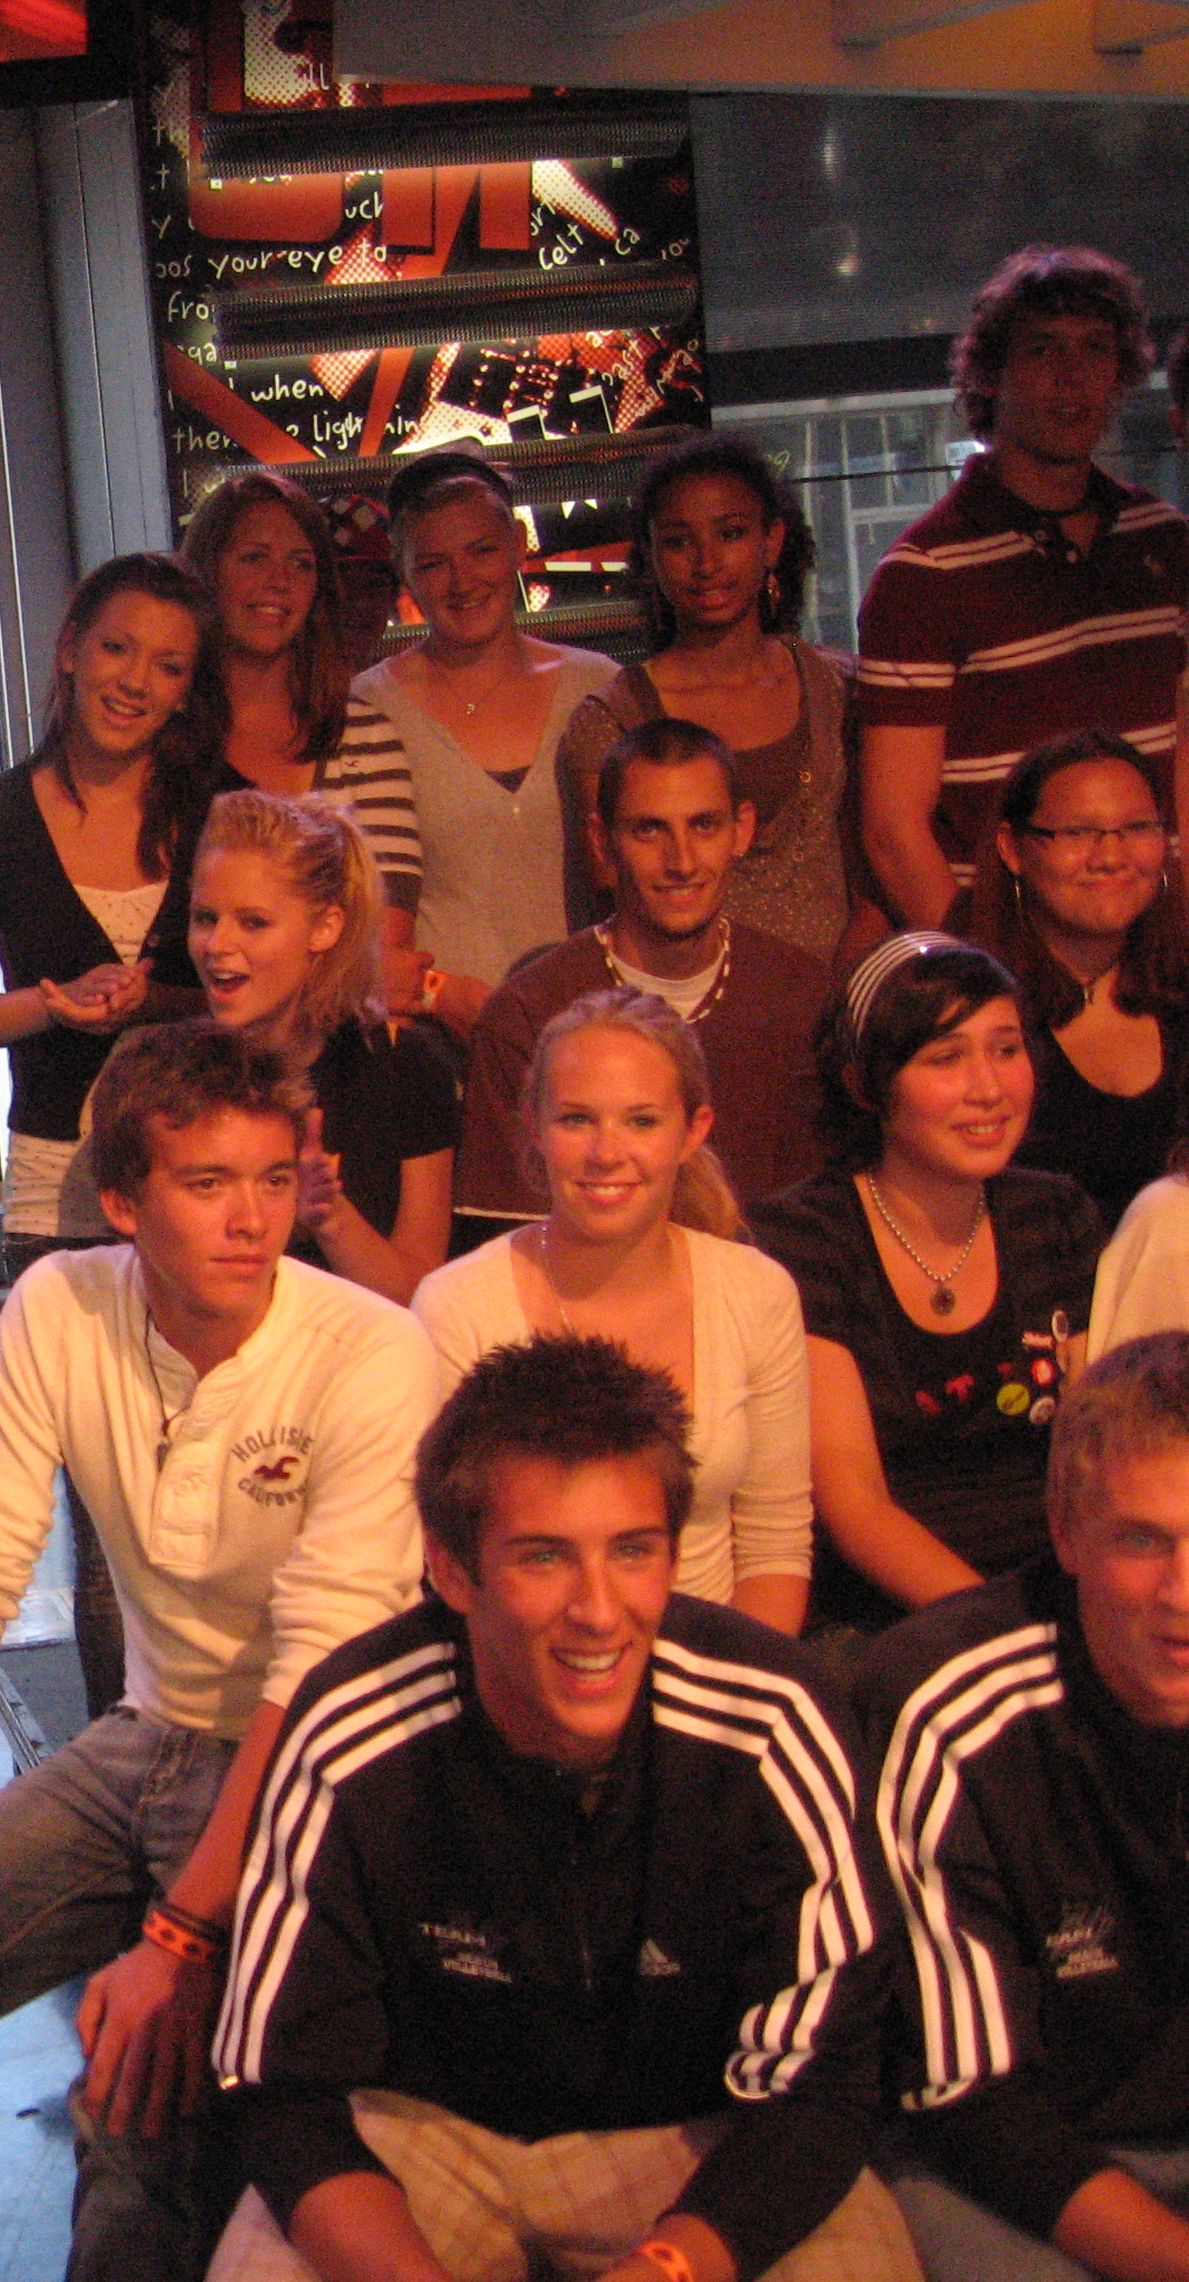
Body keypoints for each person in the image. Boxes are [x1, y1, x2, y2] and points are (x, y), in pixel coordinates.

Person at [0, 1021, 436, 2282]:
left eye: (273, 1181)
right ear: (123, 1201)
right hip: (146, 1741)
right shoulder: (58, 1305)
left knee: (135, 2095)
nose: (251, 1220)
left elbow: (318, 1681)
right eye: (208, 1184)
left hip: (310, 1777)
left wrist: (175, 1940)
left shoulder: (372, 1354)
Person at [208, 1332, 915, 2282]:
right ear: (453, 1572)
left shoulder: (773, 1718)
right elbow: (278, 2089)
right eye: (545, 1559)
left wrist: (668, 2266)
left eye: (633, 1552)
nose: (598, 1610)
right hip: (424, 2137)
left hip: (703, 2140)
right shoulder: (350, 1729)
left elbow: (821, 2086)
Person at [860, 1330, 1189, 2281]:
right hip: (997, 2161)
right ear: (1063, 1531)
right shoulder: (944, 1704)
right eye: (1140, 1539)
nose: (1180, 1594)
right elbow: (964, 2094)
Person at [416, 988, 814, 1632]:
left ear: (694, 1131)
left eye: (641, 1121)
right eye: (576, 1119)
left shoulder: (757, 1292)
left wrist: (732, 1708)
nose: (606, 1153)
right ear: (535, 1128)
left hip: (713, 1671)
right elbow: (446, 1562)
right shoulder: (457, 1306)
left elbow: (775, 1546)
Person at [750, 933, 1105, 1642]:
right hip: (886, 1626)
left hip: (1057, 1598)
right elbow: (857, 1507)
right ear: (864, 1083)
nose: (989, 1086)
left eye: (1006, 1049)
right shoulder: (803, 1238)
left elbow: (1095, 1452)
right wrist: (1013, 1640)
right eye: (946, 1058)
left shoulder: (1057, 1214)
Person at [857, 245, 1189, 930]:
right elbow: (893, 832)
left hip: (1157, 954)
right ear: (991, 378)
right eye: (1043, 351)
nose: (1072, 378)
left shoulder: (1164, 542)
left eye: (1096, 350)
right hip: (1010, 961)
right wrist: (989, 977)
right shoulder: (925, 573)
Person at [0, 552, 214, 1245]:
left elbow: (273, 997)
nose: (134, 682)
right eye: (116, 648)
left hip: (210, 1177)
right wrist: (52, 1004)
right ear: (71, 649)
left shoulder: (220, 811)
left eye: (168, 666)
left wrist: (156, 1005)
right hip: (57, 1187)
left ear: (188, 689)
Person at [458, 718, 828, 1233]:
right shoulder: (531, 1013)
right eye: (649, 830)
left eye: (704, 826)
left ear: (741, 830)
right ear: (602, 841)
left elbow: (826, 1226)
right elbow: (502, 1250)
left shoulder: (805, 997)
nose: (681, 861)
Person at [560, 432, 876, 967]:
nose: (707, 563)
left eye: (729, 534)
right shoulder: (612, 718)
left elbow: (874, 866)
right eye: (680, 542)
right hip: (682, 1005)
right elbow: (613, 893)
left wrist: (839, 990)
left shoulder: (835, 685)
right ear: (653, 556)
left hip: (841, 994)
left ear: (771, 541)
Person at [350, 450, 620, 1043]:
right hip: (437, 1043)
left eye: (482, 550)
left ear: (519, 544)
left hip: (586, 1032)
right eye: (435, 563)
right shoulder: (366, 709)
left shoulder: (598, 688)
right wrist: (442, 996)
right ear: (406, 573)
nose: (463, 580)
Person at [185, 790, 449, 1301]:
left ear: (326, 927)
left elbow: (418, 1298)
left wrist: (328, 1216)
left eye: (253, 922)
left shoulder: (403, 1067)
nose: (217, 945)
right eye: (205, 918)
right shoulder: (173, 1076)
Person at [964, 730, 1189, 1225]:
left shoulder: (1180, 985)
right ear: (1013, 848)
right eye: (1078, 832)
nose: (1111, 856)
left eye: (1137, 828)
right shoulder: (968, 1008)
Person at [182, 471, 425, 930]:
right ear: (207, 571)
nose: (278, 581)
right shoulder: (163, 729)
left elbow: (385, 947)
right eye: (254, 558)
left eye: (300, 564)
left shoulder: (363, 735)